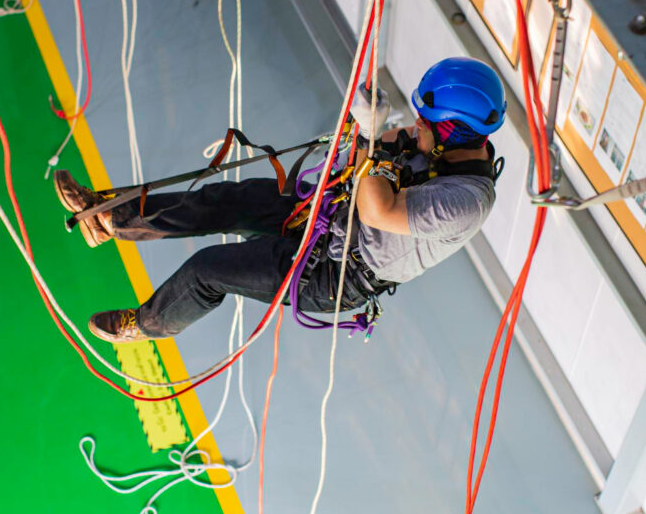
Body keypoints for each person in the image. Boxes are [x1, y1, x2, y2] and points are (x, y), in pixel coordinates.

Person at [53, 57, 506, 343]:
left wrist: (370, 137)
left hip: (336, 273)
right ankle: (109, 219)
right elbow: (395, 140)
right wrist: (374, 133)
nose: (416, 126)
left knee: (209, 270)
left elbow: (379, 209)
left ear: (451, 132)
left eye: (426, 123)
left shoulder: (464, 203)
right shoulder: (455, 142)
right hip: (333, 214)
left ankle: (148, 324)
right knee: (224, 200)